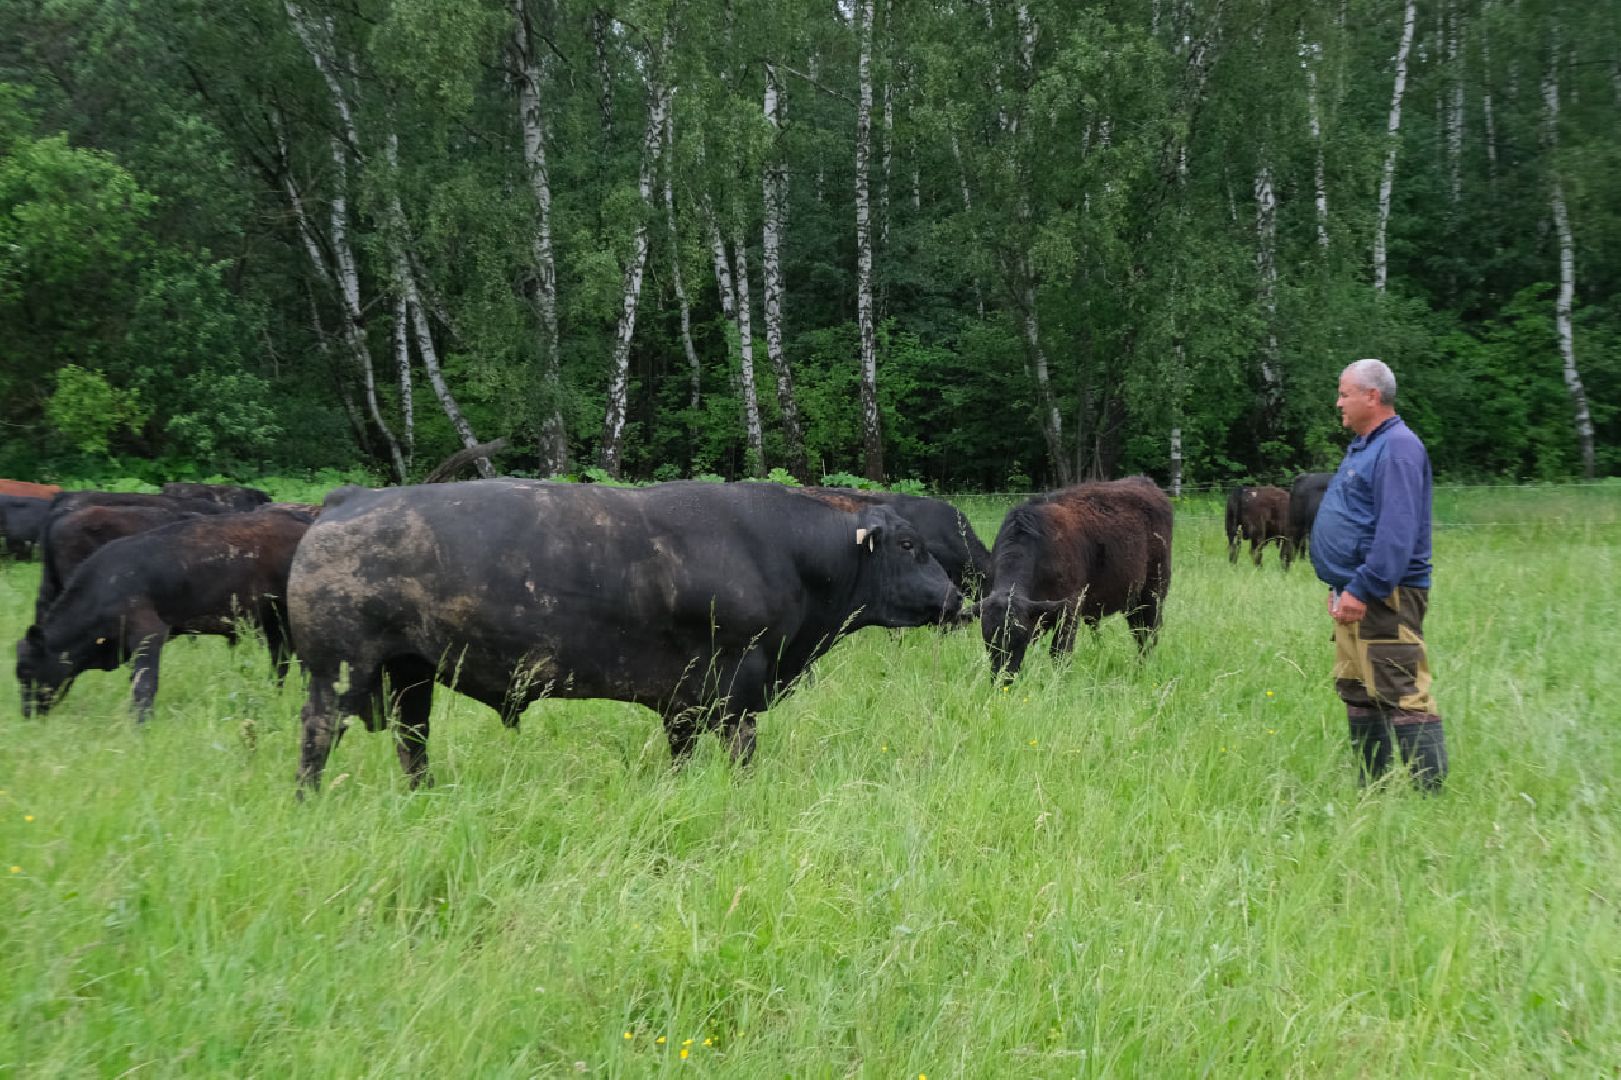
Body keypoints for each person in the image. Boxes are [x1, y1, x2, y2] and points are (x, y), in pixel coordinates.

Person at [1310, 358, 1449, 790]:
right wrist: (1341, 586)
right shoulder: (1369, 446)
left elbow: (1397, 531)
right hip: (1356, 593)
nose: (1338, 403)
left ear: (1372, 396)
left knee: (1400, 687)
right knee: (1358, 688)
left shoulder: (1399, 449)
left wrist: (1364, 588)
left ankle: (1428, 798)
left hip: (1384, 595)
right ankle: (1374, 785)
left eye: (1344, 393)